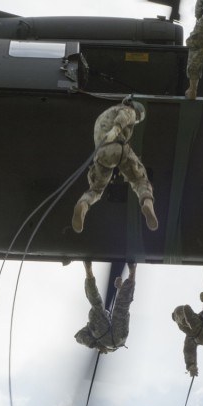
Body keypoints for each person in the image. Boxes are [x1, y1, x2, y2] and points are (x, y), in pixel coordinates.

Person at [72, 98, 158, 233]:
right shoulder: (128, 110)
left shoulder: (102, 116)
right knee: (139, 179)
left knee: (96, 189)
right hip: (118, 148)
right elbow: (125, 116)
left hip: (101, 155)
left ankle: (83, 205)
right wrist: (116, 130)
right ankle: (147, 202)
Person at [75, 261, 136, 353]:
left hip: (115, 339)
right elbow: (79, 336)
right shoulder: (90, 327)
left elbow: (79, 337)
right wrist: (119, 287)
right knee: (120, 308)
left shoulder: (90, 327)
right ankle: (132, 271)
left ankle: (132, 271)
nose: (107, 313)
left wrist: (96, 345)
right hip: (116, 339)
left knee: (120, 307)